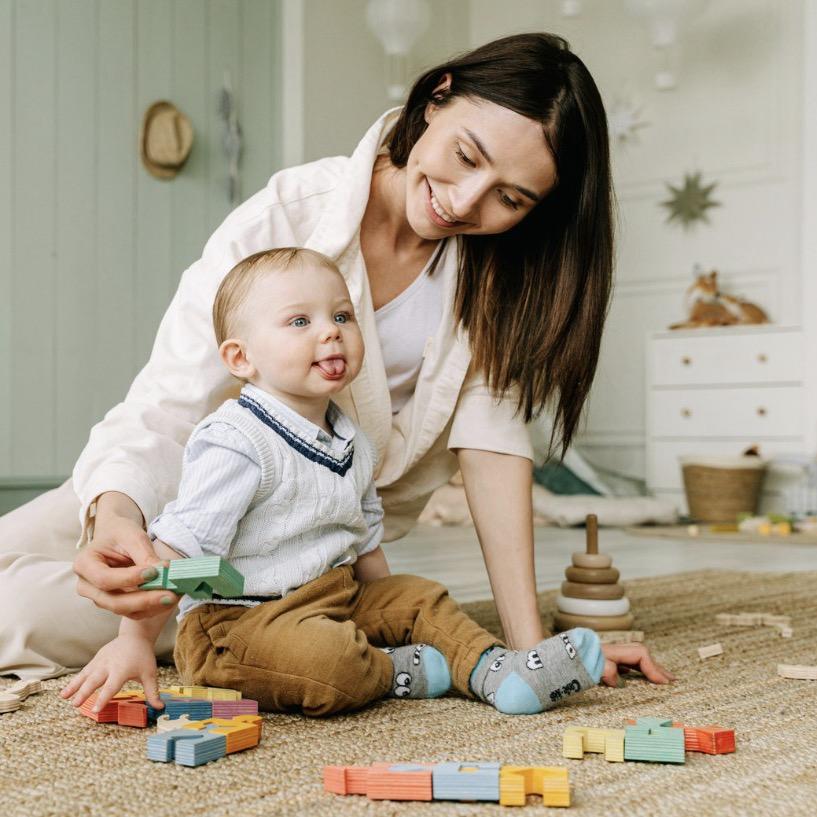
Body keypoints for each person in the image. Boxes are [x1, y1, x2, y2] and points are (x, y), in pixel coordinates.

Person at [1, 33, 671, 687]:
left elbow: (492, 449)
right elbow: (167, 401)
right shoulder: (287, 217)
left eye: (510, 197)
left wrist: (530, 650)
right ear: (437, 96)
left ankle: (262, 626)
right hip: (174, 483)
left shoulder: (500, 280)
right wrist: (115, 516)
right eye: (466, 156)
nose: (466, 201)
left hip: (282, 552)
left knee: (17, 613)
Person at [60, 248, 657, 717]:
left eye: (342, 316)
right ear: (241, 358)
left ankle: (501, 671)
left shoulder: (351, 437)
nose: (332, 332)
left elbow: (363, 540)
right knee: (329, 663)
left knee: (423, 598)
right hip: (239, 626)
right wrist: (134, 639)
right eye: (301, 321)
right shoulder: (236, 440)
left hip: (333, 595)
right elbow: (180, 552)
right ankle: (399, 670)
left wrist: (388, 609)